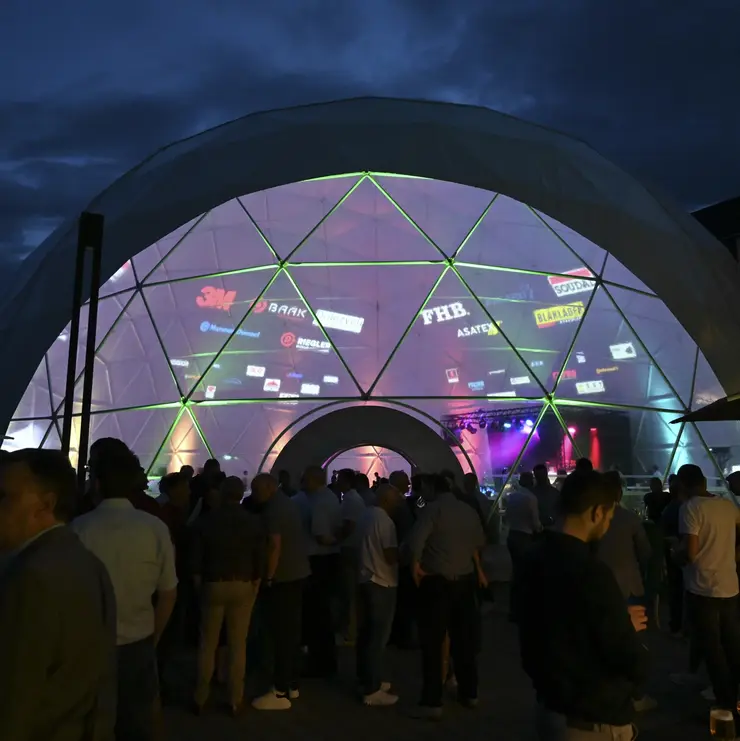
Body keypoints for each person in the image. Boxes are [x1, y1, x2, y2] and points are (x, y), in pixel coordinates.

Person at [518, 470, 648, 741]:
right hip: (593, 720)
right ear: (597, 512)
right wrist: (623, 626)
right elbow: (626, 656)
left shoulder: (531, 558)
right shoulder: (592, 572)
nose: (608, 524)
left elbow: (546, 628)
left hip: (550, 708)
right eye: (609, 517)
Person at [0, 449, 117, 741]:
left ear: (45, 504)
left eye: (4, 498)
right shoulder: (88, 563)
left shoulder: (30, 577)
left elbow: (14, 697)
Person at [73, 445, 178, 741]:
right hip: (139, 641)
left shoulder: (78, 529)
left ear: (96, 483)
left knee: (92, 722)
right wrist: (153, 637)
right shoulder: (155, 527)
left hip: (90, 645)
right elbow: (169, 593)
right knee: (137, 721)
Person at [407, 473, 488, 720]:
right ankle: (469, 692)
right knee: (464, 642)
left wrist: (415, 566)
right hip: (464, 582)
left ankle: (432, 701)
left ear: (432, 488)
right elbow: (479, 543)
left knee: (432, 643)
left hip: (437, 583)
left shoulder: (432, 511)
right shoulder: (468, 510)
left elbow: (414, 543)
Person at [190, 475, 265, 715]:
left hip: (214, 583)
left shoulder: (207, 521)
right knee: (237, 644)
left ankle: (200, 696)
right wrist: (256, 580)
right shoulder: (253, 522)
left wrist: (198, 584)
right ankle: (235, 698)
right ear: (242, 493)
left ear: (222, 493)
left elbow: (196, 560)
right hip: (243, 583)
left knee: (207, 644)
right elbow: (259, 556)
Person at [677, 463, 740, 712]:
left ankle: (725, 705)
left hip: (702, 589)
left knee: (713, 649)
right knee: (733, 646)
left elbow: (690, 553)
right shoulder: (726, 505)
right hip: (730, 586)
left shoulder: (690, 508)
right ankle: (735, 698)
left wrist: (675, 554)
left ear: (683, 484)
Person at [597, 470, 656, 713]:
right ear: (620, 493)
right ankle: (635, 695)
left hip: (601, 587)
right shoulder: (630, 519)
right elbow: (646, 553)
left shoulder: (595, 519)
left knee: (605, 638)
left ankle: (609, 690)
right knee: (633, 642)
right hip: (629, 585)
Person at [250, 473, 311, 711]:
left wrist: (268, 577)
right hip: (297, 574)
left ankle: (279, 689)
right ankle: (292, 684)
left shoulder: (273, 510)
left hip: (283, 578)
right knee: (291, 632)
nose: (254, 495)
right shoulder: (289, 503)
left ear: (270, 488)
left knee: (278, 634)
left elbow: (274, 545)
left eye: (256, 490)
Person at [356, 483, 403, 706]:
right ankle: (372, 689)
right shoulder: (386, 522)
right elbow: (391, 556)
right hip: (382, 582)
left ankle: (366, 678)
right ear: (386, 501)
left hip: (365, 579)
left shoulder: (365, 515)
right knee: (378, 638)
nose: (397, 505)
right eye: (395, 501)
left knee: (365, 635)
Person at [303, 465, 342, 677]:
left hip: (318, 560)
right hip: (330, 560)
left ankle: (319, 662)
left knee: (316, 613)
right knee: (324, 612)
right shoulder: (331, 498)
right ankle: (327, 661)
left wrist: (332, 541)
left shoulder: (318, 502)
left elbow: (319, 535)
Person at [504, 471, 542, 621]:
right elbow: (535, 522)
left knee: (516, 573)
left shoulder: (512, 497)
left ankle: (514, 610)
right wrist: (540, 528)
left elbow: (506, 518)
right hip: (525, 537)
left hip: (512, 536)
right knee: (526, 575)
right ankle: (525, 610)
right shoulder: (531, 498)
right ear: (531, 481)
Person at [337, 468, 367, 645]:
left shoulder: (350, 500)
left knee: (349, 592)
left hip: (350, 549)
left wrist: (334, 539)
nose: (336, 481)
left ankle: (351, 631)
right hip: (353, 548)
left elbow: (349, 526)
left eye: (339, 478)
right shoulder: (354, 499)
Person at [532, 464, 560, 529]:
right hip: (551, 527)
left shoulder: (531, 493)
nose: (540, 477)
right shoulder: (555, 492)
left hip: (538, 528)